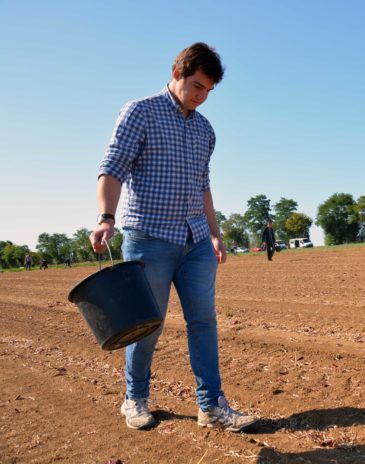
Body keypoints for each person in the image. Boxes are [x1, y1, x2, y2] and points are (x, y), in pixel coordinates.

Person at [89, 43, 258, 432]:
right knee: (147, 324)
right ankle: (135, 398)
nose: (201, 97)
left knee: (204, 322)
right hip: (149, 237)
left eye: (208, 91)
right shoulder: (140, 112)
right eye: (197, 86)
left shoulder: (205, 130)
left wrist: (214, 234)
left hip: (195, 240)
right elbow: (111, 168)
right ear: (178, 72)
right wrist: (106, 217)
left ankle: (212, 406)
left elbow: (203, 188)